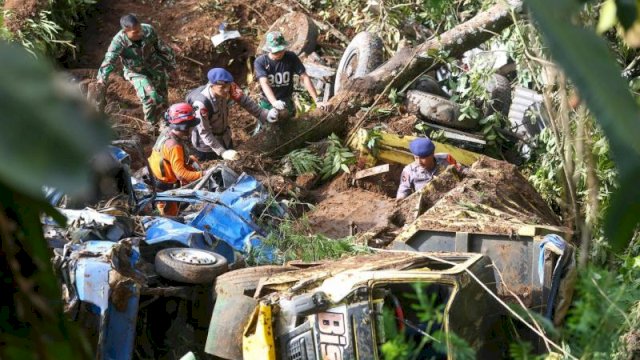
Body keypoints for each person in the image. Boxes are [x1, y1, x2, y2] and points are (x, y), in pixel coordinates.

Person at [96, 14, 176, 124]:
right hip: (136, 72)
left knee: (162, 97)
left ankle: (165, 121)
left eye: (140, 29)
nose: (140, 33)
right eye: (135, 32)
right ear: (125, 32)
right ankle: (150, 125)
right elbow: (109, 61)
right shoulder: (118, 42)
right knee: (150, 97)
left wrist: (172, 67)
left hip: (155, 67)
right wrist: (102, 79)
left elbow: (162, 49)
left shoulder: (148, 30)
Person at [186, 68, 279, 161]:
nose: (226, 90)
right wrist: (222, 152)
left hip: (225, 138)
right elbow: (204, 132)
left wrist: (263, 113)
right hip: (207, 147)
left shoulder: (228, 85)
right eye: (222, 88)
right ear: (212, 85)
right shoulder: (201, 104)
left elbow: (244, 100)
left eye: (228, 86)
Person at [254, 31, 325, 119]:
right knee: (267, 127)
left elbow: (304, 77)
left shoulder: (291, 57)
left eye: (281, 50)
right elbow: (264, 83)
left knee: (289, 124)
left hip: (286, 99)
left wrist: (317, 100)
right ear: (269, 49)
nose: (279, 54)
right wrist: (274, 102)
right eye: (276, 52)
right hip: (267, 102)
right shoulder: (261, 61)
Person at [148, 103, 203, 215]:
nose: (193, 128)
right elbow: (181, 174)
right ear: (185, 126)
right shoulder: (174, 146)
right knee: (170, 218)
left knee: (192, 159)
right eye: (191, 125)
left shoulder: (167, 132)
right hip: (164, 187)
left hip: (153, 175)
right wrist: (203, 174)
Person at [396, 137, 460, 200]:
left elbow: (461, 171)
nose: (419, 162)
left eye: (423, 158)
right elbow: (403, 189)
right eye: (416, 158)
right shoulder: (409, 171)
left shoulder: (446, 159)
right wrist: (400, 198)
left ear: (432, 154)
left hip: (450, 196)